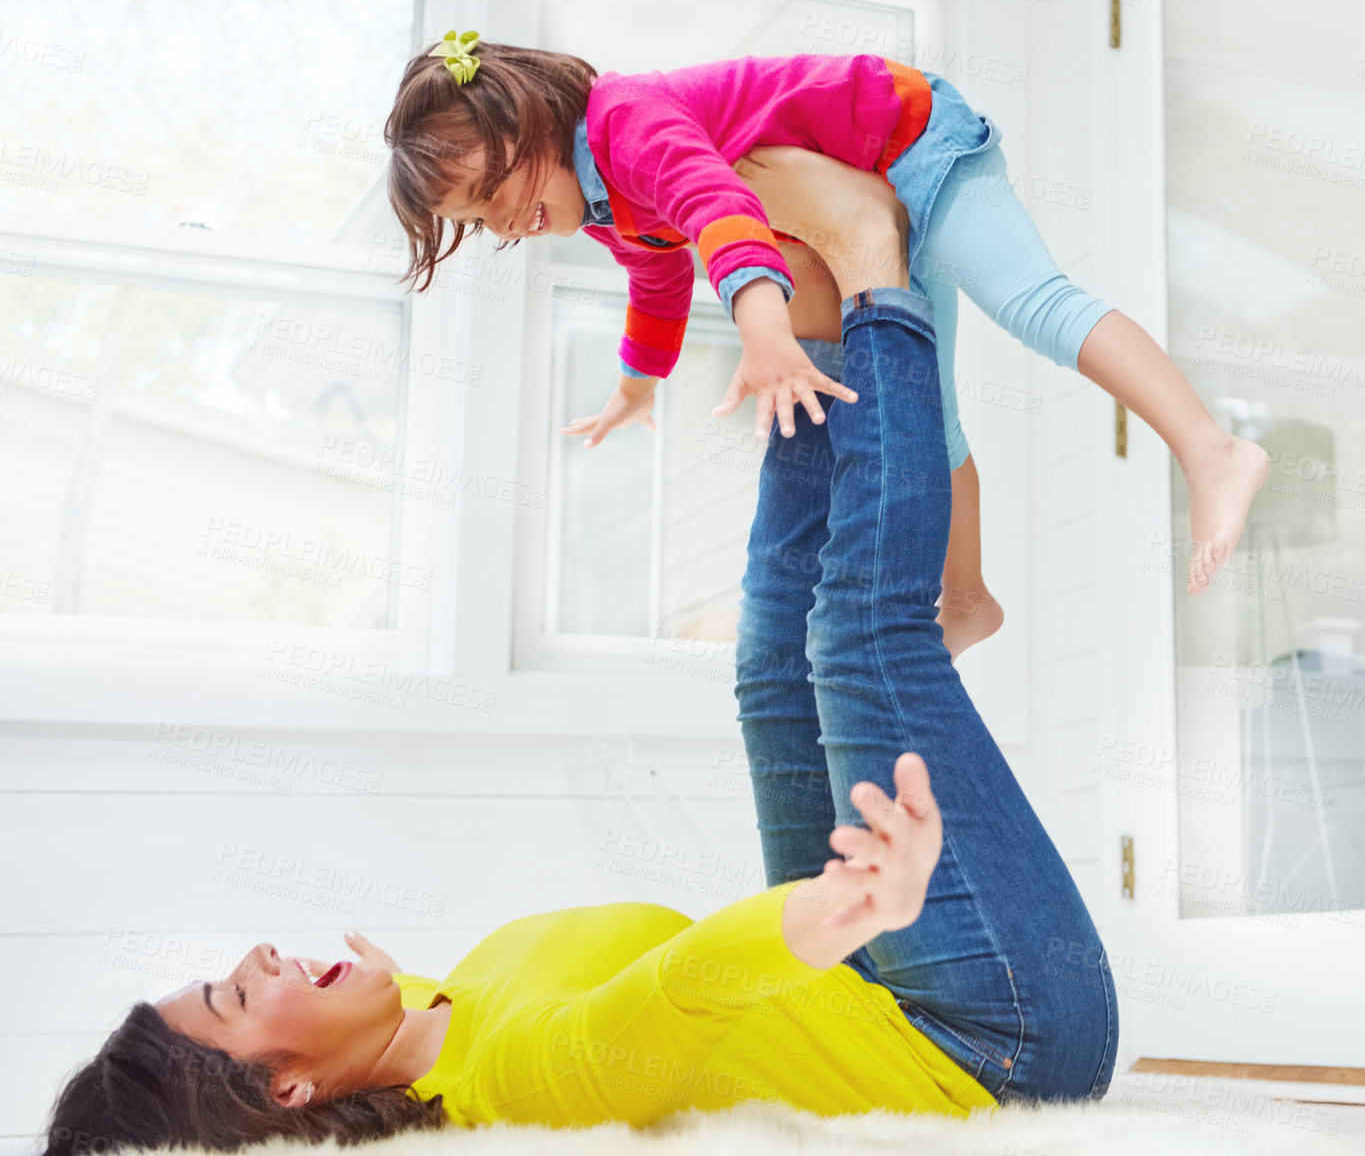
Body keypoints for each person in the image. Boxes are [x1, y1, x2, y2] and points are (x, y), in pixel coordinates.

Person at [41, 225, 1114, 1153]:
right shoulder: (520, 1078)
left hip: (858, 976)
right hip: (990, 1038)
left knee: (768, 667)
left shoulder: (423, 1002)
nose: (258, 952)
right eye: (237, 992)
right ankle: (876, 269)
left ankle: (815, 311)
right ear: (286, 1086)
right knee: (861, 639)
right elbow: (680, 986)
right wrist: (847, 900)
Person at [385, 33, 1267, 658]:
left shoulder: (624, 123)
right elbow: (658, 278)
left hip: (909, 137)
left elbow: (718, 210)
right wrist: (635, 383)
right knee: (937, 420)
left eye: (496, 185)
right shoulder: (606, 207)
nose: (505, 219)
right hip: (865, 193)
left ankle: (1211, 448)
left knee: (1033, 302)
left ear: (532, 118)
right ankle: (967, 597)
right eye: (479, 219)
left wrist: (764, 329)